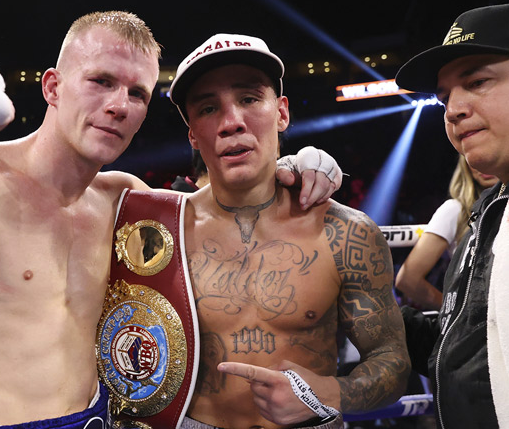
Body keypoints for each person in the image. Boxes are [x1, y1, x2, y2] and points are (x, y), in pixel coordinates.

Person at [0, 12, 341, 428]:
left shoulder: (123, 199)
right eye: (101, 81)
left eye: (138, 93)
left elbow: (227, 214)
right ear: (53, 86)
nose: (118, 106)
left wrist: (291, 170)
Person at [165, 33, 410, 429]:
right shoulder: (161, 231)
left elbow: (392, 360)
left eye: (248, 99)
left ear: (281, 112)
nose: (231, 122)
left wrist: (326, 394)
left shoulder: (346, 233)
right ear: (193, 134)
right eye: (209, 108)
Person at [395, 3, 509, 428]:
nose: (452, 109)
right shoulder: (487, 213)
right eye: (443, 98)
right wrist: (366, 305)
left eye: (477, 81)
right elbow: (466, 360)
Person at [395, 154, 498, 310]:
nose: (482, 164)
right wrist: (456, 312)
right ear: (465, 164)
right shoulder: (455, 210)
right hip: (482, 325)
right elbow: (408, 279)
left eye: (491, 154)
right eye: (474, 157)